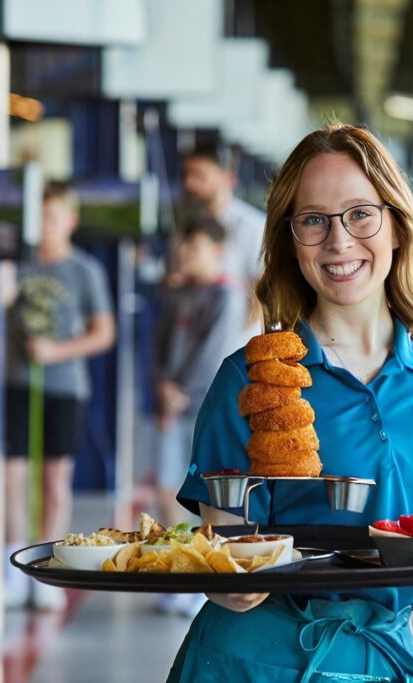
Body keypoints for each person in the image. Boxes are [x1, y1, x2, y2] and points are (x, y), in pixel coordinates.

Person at [168, 125, 413, 681]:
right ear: (290, 239)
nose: (339, 241)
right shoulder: (249, 379)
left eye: (360, 214)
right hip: (251, 660)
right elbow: (223, 542)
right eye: (313, 220)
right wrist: (229, 584)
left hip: (384, 658)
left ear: (397, 224)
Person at [2, 181, 116, 611]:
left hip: (65, 388)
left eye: (52, 217)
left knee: (54, 480)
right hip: (17, 383)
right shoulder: (17, 262)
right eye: (39, 218)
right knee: (11, 477)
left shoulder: (85, 271)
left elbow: (104, 334)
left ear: (70, 221)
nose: (44, 227)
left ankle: (48, 566)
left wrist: (56, 352)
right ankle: (11, 562)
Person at [150, 214, 246, 615]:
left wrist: (181, 394)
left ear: (218, 251)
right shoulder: (175, 294)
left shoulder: (226, 296)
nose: (186, 255)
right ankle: (182, 566)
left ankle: (201, 574)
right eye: (183, 248)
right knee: (165, 485)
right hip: (170, 404)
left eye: (195, 248)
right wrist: (161, 386)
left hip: (205, 407)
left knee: (205, 496)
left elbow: (212, 355)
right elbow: (157, 346)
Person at [179, 141, 265, 343]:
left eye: (199, 176)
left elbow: (265, 296)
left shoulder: (253, 227)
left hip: (234, 351)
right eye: (186, 175)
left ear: (229, 179)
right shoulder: (187, 224)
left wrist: (227, 342)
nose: (189, 184)